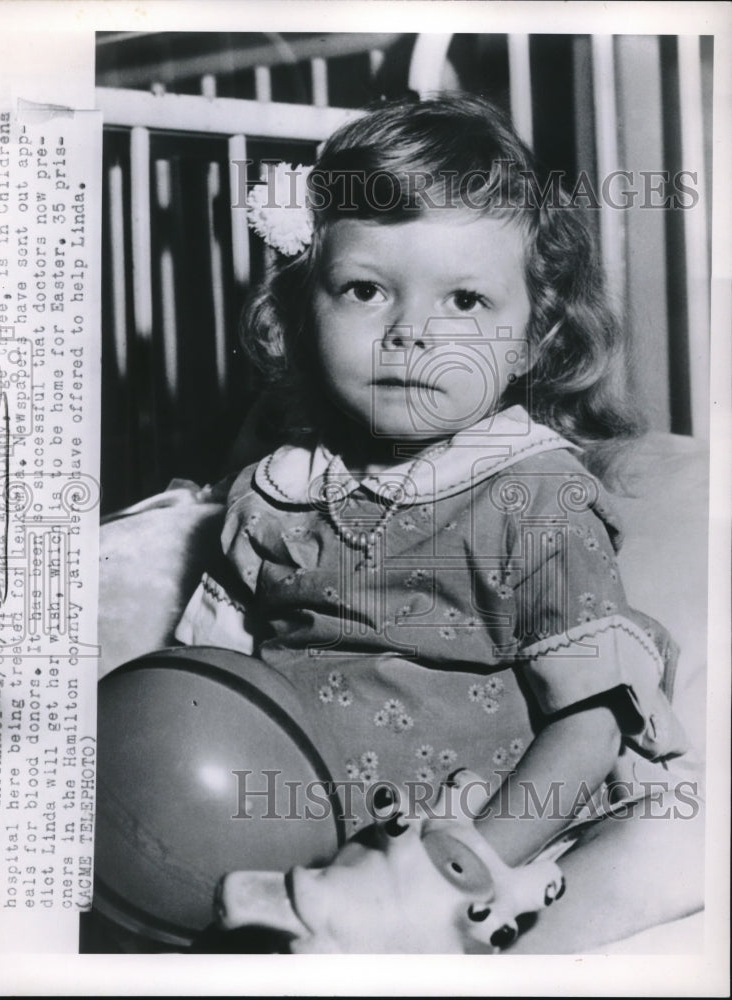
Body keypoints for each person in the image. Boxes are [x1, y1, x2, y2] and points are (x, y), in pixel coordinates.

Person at [176, 96, 703, 950]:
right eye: (365, 290)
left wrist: (465, 866)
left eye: (463, 300)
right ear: (305, 308)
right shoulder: (275, 490)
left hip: (493, 844)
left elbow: (591, 717)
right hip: (303, 835)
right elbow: (204, 679)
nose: (412, 334)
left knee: (667, 854)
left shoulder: (532, 495)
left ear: (533, 335)